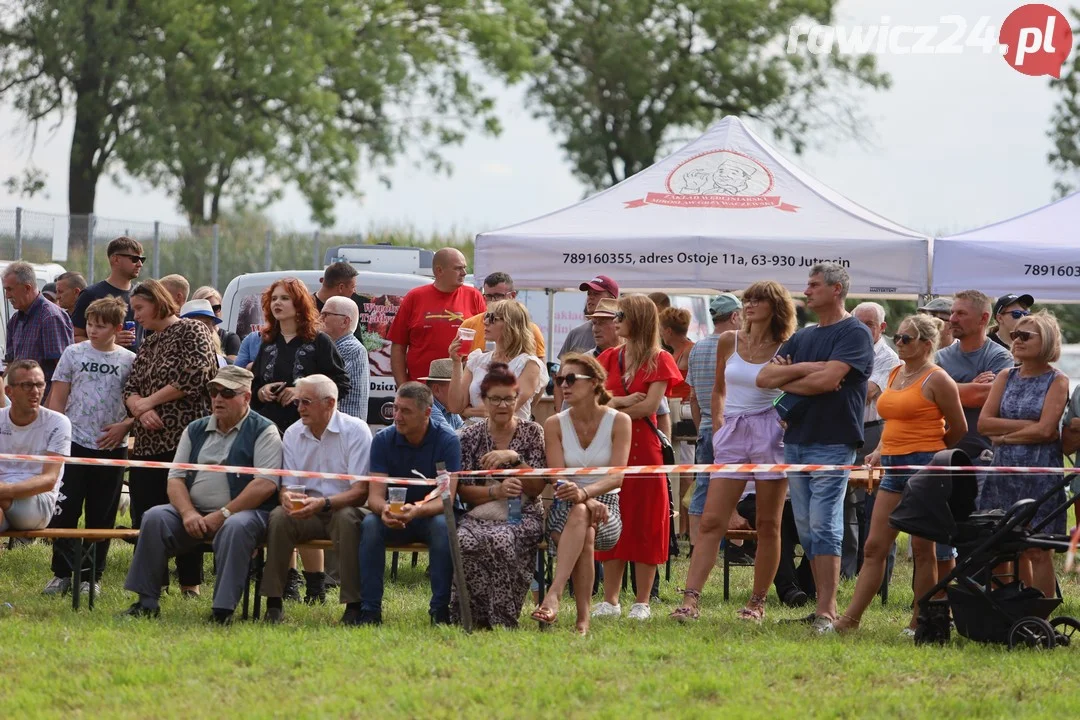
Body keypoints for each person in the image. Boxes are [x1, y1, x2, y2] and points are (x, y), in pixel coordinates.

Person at [756, 263, 874, 632]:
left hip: (834, 440)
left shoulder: (855, 332)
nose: (806, 291)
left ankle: (826, 610)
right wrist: (810, 370)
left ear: (837, 290)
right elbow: (765, 378)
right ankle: (825, 605)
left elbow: (829, 381)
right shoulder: (803, 337)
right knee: (806, 526)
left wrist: (796, 376)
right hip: (797, 440)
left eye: (814, 285)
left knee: (824, 524)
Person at [832, 314, 967, 634]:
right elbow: (894, 420)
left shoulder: (937, 379)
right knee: (875, 545)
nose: (899, 343)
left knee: (923, 550)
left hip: (924, 469)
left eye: (907, 338)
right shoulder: (894, 373)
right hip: (892, 465)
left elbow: (959, 427)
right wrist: (880, 450)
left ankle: (921, 620)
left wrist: (931, 454)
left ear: (927, 344)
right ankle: (849, 620)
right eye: (898, 338)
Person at [671, 281, 797, 622]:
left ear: (776, 307)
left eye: (759, 299)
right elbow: (718, 388)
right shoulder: (730, 340)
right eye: (748, 299)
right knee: (712, 519)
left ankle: (757, 603)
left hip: (770, 432)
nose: (750, 305)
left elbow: (796, 389)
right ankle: (690, 600)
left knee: (769, 523)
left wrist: (783, 418)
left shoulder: (787, 345)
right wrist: (721, 422)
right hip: (732, 432)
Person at [120, 366, 283, 623]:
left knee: (236, 527)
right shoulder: (195, 429)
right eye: (213, 391)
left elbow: (265, 484)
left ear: (246, 398)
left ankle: (222, 610)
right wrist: (187, 514)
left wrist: (223, 514)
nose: (218, 398)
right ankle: (146, 602)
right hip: (194, 512)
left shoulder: (264, 430)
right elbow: (175, 479)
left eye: (227, 393)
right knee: (154, 517)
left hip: (243, 514)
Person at [123, 279, 219, 596]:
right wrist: (138, 407)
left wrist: (149, 402)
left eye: (139, 308)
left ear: (158, 302)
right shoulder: (149, 342)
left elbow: (197, 372)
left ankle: (189, 583)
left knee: (183, 509)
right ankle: (153, 583)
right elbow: (130, 384)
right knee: (145, 510)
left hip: (183, 440)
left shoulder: (192, 330)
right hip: (147, 441)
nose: (136, 316)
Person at [592, 294, 681, 621]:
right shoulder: (607, 357)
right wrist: (623, 399)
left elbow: (649, 407)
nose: (615, 321)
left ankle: (642, 601)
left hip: (645, 448)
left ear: (639, 319)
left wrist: (614, 403)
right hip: (613, 445)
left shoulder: (660, 359)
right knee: (612, 520)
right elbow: (596, 399)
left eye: (621, 315)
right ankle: (611, 599)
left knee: (645, 522)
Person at [260, 374, 372, 625]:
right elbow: (286, 486)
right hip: (308, 510)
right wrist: (287, 497)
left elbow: (361, 491)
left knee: (345, 518)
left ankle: (353, 606)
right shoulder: (292, 433)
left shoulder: (355, 430)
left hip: (346, 506)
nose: (299, 408)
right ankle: (274, 603)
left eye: (306, 402)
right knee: (279, 516)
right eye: (298, 402)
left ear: (330, 403)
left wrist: (325, 504)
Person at [42, 297, 135, 596]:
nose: (93, 330)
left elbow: (134, 402)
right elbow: (57, 398)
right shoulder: (73, 353)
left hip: (110, 445)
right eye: (91, 324)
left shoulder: (129, 360)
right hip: (74, 443)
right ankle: (62, 572)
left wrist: (126, 426)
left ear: (117, 328)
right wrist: (55, 438)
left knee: (101, 514)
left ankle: (91, 575)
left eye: (101, 326)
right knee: (65, 510)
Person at [533, 352, 631, 634]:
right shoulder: (554, 423)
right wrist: (584, 499)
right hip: (565, 505)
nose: (563, 385)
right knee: (583, 527)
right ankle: (582, 621)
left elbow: (617, 476)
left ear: (595, 383)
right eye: (560, 379)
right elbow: (558, 477)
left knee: (583, 516)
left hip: (607, 506)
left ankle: (554, 595)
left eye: (571, 379)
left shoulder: (620, 421)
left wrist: (587, 496)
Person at [978, 311, 1069, 599]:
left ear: (1047, 341)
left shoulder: (1057, 380)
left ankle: (1042, 611)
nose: (1016, 340)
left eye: (1025, 336)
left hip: (1039, 475)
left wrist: (1003, 437)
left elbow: (1046, 432)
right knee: (1002, 542)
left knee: (1036, 548)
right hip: (1003, 472)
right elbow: (983, 423)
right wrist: (1028, 427)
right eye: (1014, 334)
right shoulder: (1005, 375)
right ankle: (1011, 605)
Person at [451, 363, 547, 629]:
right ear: (483, 400)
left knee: (502, 539)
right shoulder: (470, 436)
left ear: (518, 400)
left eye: (509, 398)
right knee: (463, 541)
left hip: (523, 513)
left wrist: (514, 459)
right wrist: (496, 491)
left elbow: (538, 487)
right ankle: (472, 617)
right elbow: (465, 491)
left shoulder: (532, 432)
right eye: (495, 399)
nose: (503, 405)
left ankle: (502, 619)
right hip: (481, 511)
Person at [358, 383, 461, 625]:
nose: (397, 416)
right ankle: (369, 610)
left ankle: (439, 610)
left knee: (441, 526)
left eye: (405, 411)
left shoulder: (447, 441)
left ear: (427, 413)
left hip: (429, 515)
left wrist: (416, 511)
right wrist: (383, 510)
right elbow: (374, 496)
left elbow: (447, 498)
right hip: (392, 515)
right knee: (370, 525)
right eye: (395, 409)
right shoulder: (383, 440)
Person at [251, 277, 350, 435]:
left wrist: (301, 392)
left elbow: (341, 385)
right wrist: (262, 392)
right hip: (268, 432)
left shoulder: (320, 341)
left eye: (285, 298)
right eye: (274, 298)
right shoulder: (267, 343)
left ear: (299, 304)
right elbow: (252, 387)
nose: (277, 303)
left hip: (309, 430)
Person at [847, 302, 901, 579]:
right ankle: (846, 572)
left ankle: (879, 575)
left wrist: (833, 381)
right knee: (845, 506)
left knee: (877, 508)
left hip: (874, 432)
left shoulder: (889, 358)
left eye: (869, 324)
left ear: (882, 327)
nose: (863, 329)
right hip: (845, 430)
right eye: (859, 322)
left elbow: (866, 393)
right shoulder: (847, 348)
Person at [686, 293, 741, 550]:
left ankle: (698, 546)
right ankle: (736, 546)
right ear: (734, 316)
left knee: (702, 488)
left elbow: (693, 397)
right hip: (735, 427)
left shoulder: (697, 347)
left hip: (707, 428)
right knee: (735, 487)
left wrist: (701, 429)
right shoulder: (739, 345)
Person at [389, 248, 484, 385]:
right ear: (439, 271)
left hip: (462, 389)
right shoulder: (414, 297)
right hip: (421, 390)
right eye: (458, 268)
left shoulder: (474, 296)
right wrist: (403, 386)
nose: (464, 273)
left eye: (464, 268)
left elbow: (486, 343)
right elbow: (398, 346)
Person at [448, 300, 548, 424]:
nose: (485, 322)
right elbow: (455, 407)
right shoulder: (477, 359)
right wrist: (456, 363)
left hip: (510, 437)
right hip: (474, 436)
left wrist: (468, 411)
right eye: (486, 316)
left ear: (511, 324)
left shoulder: (529, 364)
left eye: (492, 318)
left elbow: (507, 409)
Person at [0, 360, 71, 532]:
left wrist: (5, 490)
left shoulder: (58, 422)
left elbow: (48, 480)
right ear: (9, 391)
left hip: (38, 501)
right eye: (26, 385)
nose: (35, 391)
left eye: (40, 384)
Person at [3, 261, 73, 387]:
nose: (7, 296)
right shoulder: (15, 320)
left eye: (10, 289)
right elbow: (10, 363)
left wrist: (51, 405)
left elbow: (62, 371)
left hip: (43, 401)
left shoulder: (51, 318)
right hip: (20, 402)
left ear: (27, 288)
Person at [553, 296, 622, 411]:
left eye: (602, 323)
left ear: (618, 324)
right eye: (594, 323)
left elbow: (660, 411)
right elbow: (568, 407)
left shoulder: (633, 358)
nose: (595, 329)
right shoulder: (583, 362)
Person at [457, 272, 546, 359]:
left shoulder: (528, 329)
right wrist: (478, 361)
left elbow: (541, 370)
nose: (492, 301)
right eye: (488, 296)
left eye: (498, 296)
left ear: (512, 295)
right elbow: (457, 364)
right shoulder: (469, 325)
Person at [71, 236, 141, 347]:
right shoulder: (91, 294)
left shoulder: (140, 295)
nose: (139, 264)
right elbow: (75, 337)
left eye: (142, 260)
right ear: (116, 259)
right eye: (134, 259)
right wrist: (109, 342)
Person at [319, 295, 369, 421]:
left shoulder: (349, 348)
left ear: (345, 322)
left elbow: (324, 386)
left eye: (326, 315)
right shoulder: (335, 346)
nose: (320, 319)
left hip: (343, 429)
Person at [557, 275, 619, 358]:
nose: (590, 297)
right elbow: (563, 369)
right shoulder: (575, 333)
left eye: (596, 294)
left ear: (611, 299)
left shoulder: (625, 332)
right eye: (589, 294)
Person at [192, 286, 241, 362]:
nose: (210, 313)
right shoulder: (188, 337)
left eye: (215, 308)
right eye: (205, 309)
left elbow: (231, 370)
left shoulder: (231, 339)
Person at [418, 358, 463, 432]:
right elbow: (452, 438)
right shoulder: (428, 408)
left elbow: (464, 433)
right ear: (436, 390)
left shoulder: (450, 406)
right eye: (456, 386)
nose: (460, 391)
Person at [180, 299, 228, 367]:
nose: (211, 329)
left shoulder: (219, 361)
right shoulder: (172, 358)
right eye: (205, 323)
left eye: (211, 324)